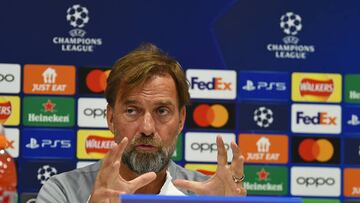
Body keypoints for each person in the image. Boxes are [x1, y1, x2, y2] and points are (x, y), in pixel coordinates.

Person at [37, 43, 246, 203]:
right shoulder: (63, 191)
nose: (147, 128)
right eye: (132, 111)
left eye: (162, 111)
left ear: (181, 120)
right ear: (111, 118)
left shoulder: (208, 196)